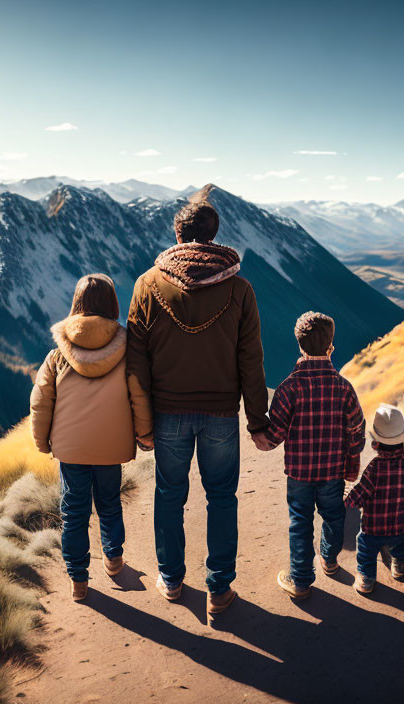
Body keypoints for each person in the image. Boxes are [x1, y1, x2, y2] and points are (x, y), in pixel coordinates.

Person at [126, 197, 269, 615]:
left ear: (178, 235)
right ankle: (219, 588)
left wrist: (142, 423)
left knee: (170, 495)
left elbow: (137, 362)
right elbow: (251, 360)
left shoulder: (147, 285)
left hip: (167, 414)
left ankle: (171, 580)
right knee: (222, 497)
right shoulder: (240, 289)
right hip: (222, 415)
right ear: (213, 235)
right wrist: (257, 421)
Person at [30, 274, 149, 601]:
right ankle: (113, 559)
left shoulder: (56, 356)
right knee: (109, 504)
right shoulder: (126, 352)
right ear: (112, 304)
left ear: (77, 306)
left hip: (71, 450)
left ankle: (79, 580)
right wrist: (145, 434)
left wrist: (42, 442)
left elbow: (41, 402)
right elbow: (139, 395)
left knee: (74, 513)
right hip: (111, 448)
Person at [262, 312, 366, 600]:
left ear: (299, 346)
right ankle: (329, 560)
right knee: (334, 516)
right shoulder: (344, 388)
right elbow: (356, 429)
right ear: (331, 347)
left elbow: (275, 435)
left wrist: (260, 437)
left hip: (300, 473)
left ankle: (301, 580)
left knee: (300, 522)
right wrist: (352, 459)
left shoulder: (288, 388)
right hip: (333, 471)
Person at [345, 403, 404, 594]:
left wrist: (348, 498)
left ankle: (366, 579)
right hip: (402, 526)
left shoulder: (374, 469)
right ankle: (398, 567)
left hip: (374, 529)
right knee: (401, 545)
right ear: (403, 440)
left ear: (376, 443)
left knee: (365, 548)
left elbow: (359, 496)